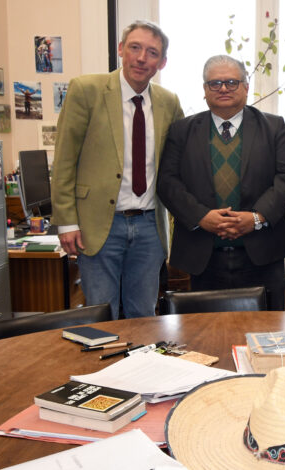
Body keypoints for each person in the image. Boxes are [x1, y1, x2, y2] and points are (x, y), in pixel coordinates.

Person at [51, 20, 183, 319]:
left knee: (143, 313)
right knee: (101, 313)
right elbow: (64, 160)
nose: (141, 58)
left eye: (151, 52)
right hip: (98, 225)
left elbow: (179, 160)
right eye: (135, 48)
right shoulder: (86, 90)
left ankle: (142, 366)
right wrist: (66, 222)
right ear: (121, 49)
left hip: (150, 225)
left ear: (161, 62)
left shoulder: (168, 102)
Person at [157, 55, 285, 310]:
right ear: (204, 90)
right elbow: (168, 183)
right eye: (215, 83)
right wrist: (201, 217)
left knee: (265, 334)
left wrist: (256, 218)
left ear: (245, 87)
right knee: (207, 335)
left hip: (262, 254)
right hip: (203, 255)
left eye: (232, 82)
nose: (223, 88)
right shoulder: (182, 131)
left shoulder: (273, 126)